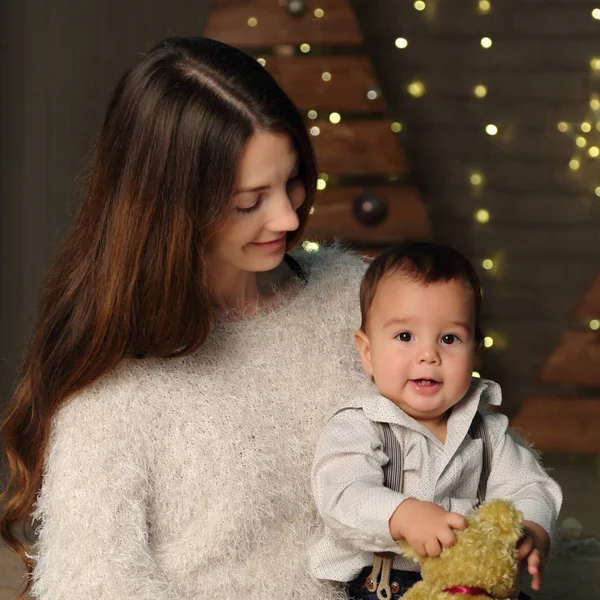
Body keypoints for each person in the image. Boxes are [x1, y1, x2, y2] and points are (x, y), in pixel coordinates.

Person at [0, 37, 367, 599]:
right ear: (172, 206)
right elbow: (95, 585)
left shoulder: (357, 301)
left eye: (291, 180)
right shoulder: (111, 383)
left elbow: (460, 451)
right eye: (250, 201)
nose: (290, 215)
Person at [308, 241, 562, 599]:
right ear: (367, 353)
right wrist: (403, 515)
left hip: (472, 584)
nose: (428, 355)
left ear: (473, 352)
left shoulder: (487, 430)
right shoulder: (361, 423)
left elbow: (530, 486)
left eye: (449, 338)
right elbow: (340, 495)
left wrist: (533, 530)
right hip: (383, 582)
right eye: (405, 336)